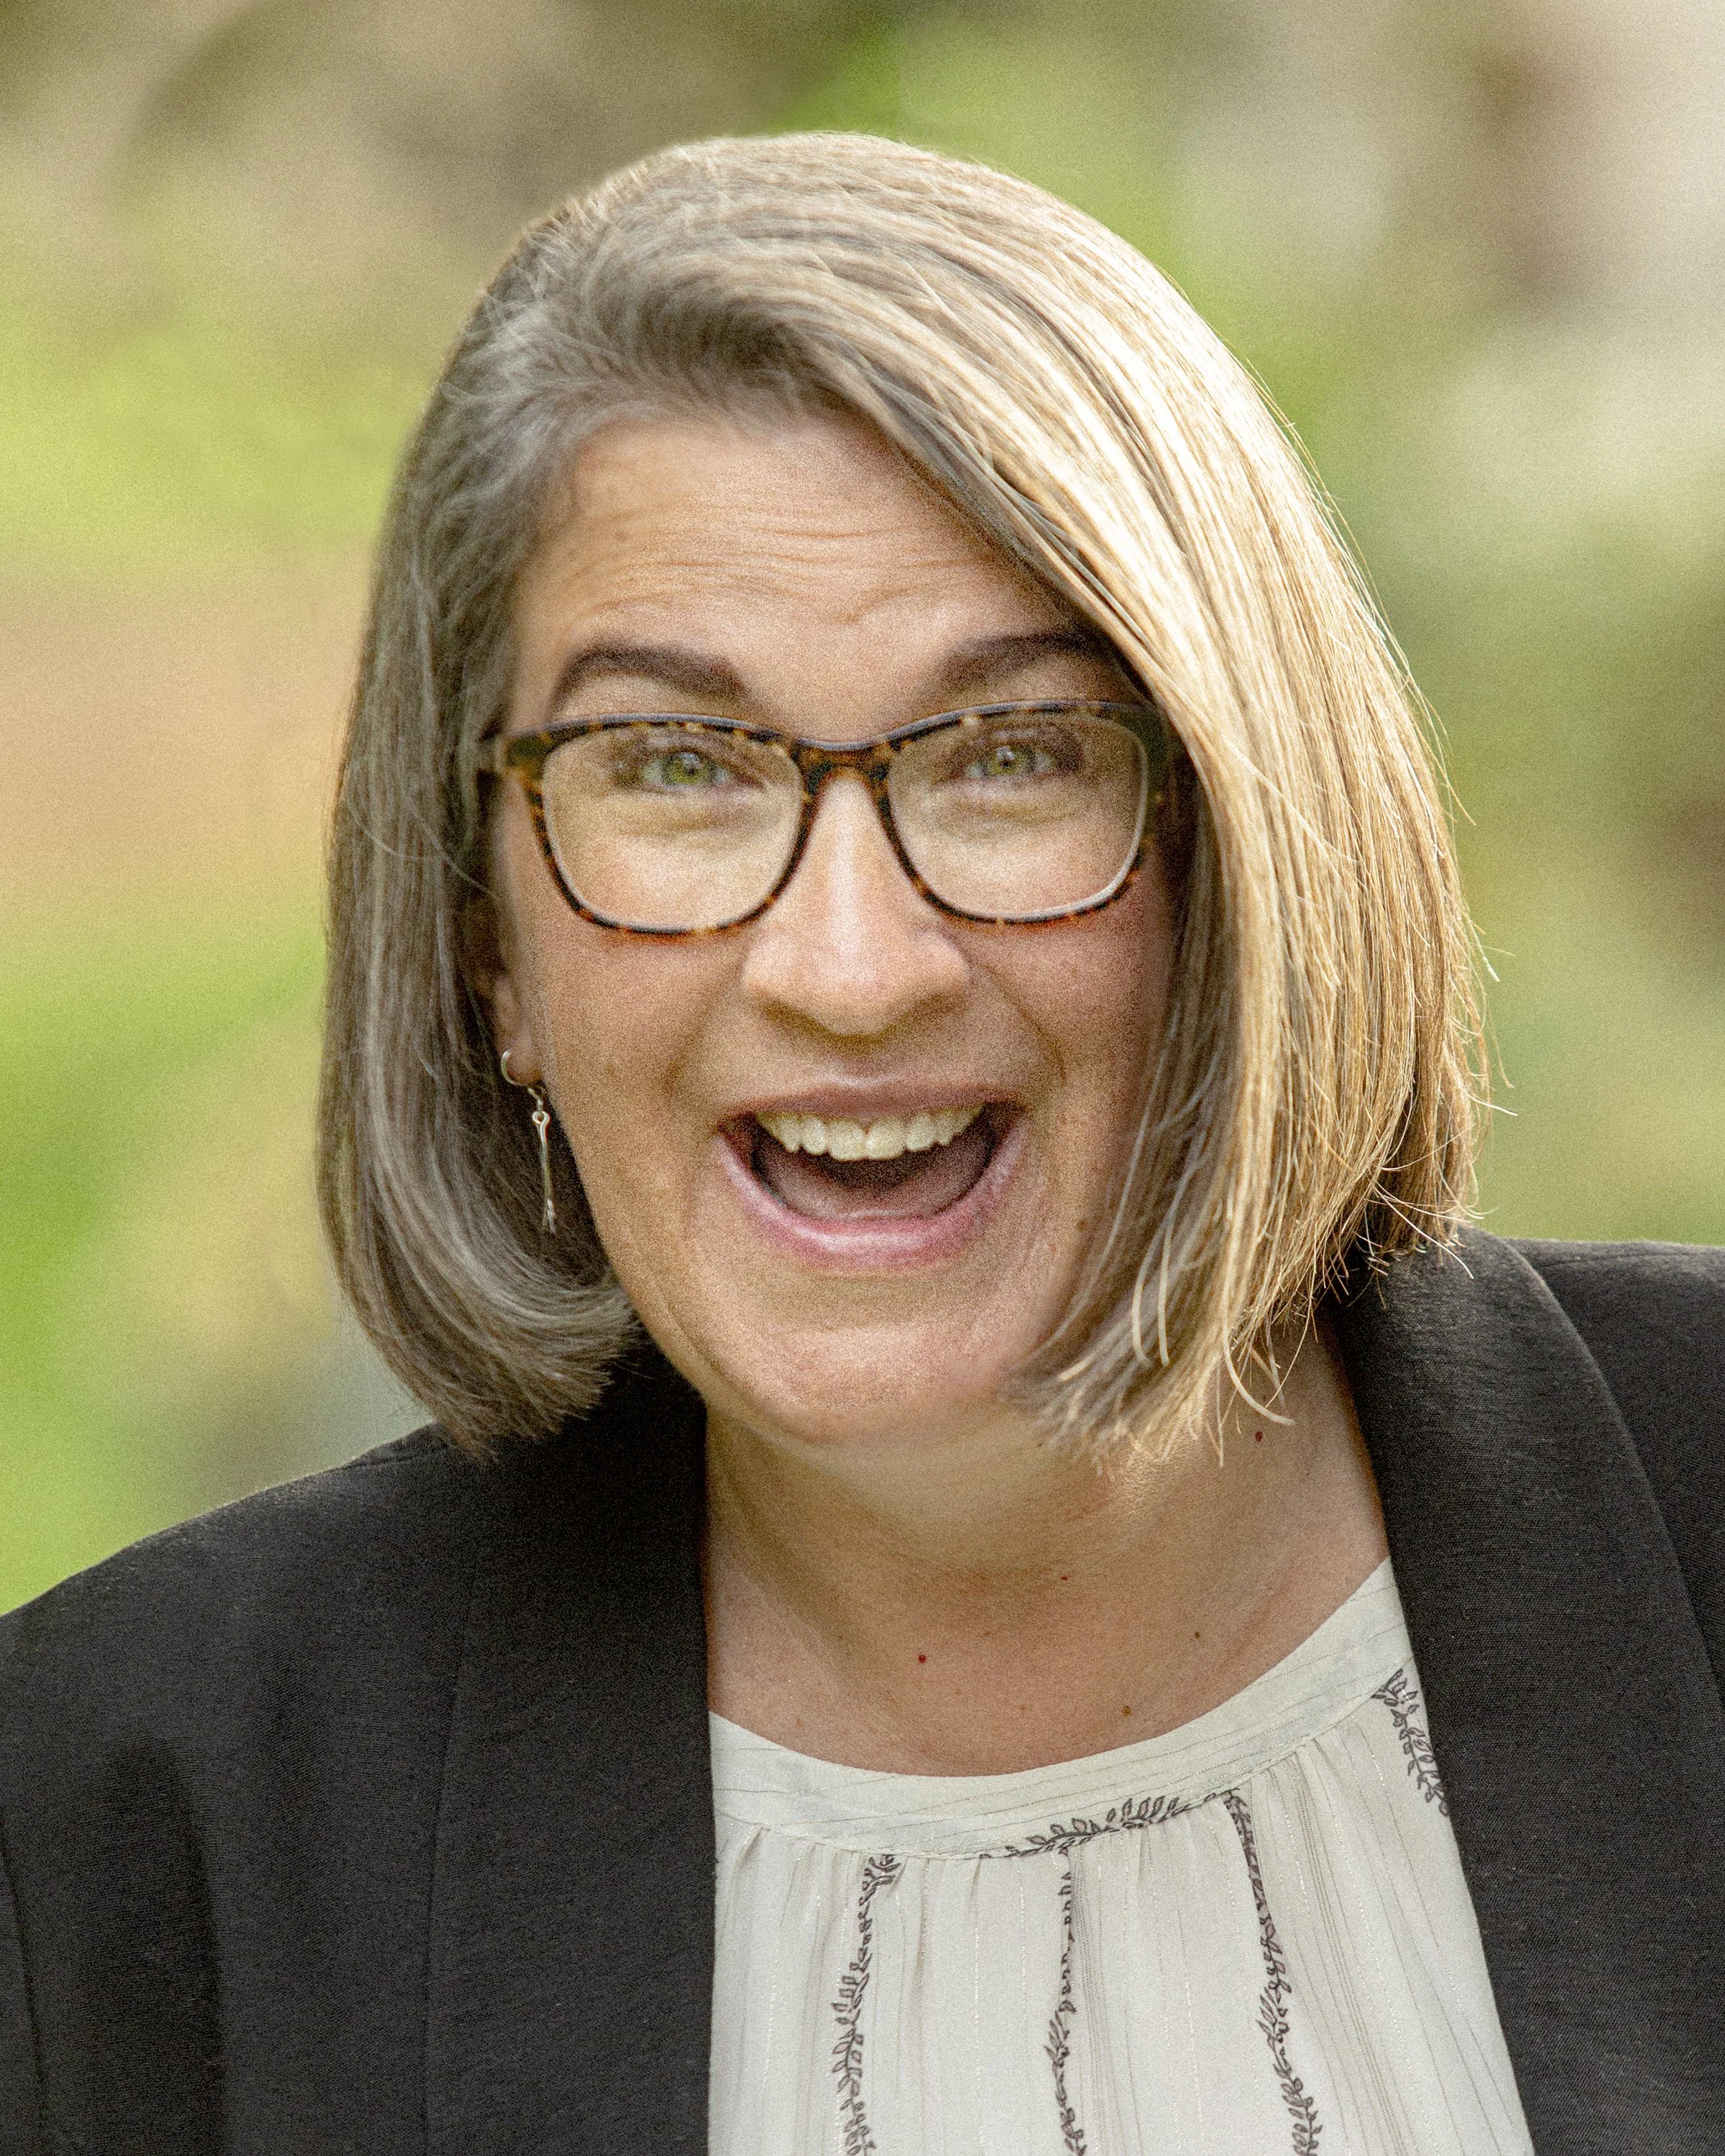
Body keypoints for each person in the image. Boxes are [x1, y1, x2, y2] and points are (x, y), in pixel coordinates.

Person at [1, 132, 1721, 2156]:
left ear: (1245, 859)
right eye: (674, 764)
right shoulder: (115, 1827)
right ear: (486, 943)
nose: (848, 965)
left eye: (1012, 757)